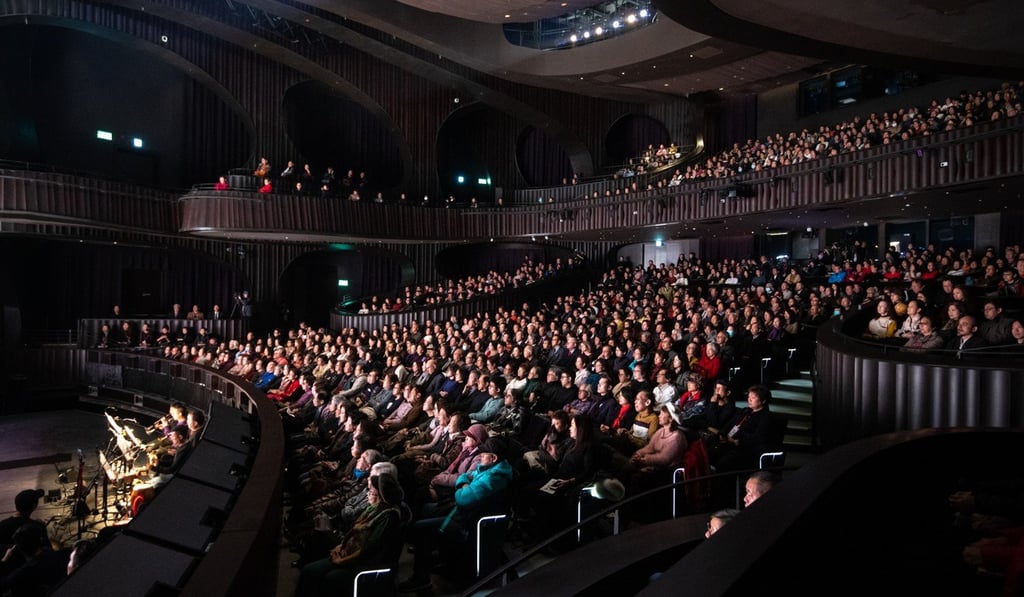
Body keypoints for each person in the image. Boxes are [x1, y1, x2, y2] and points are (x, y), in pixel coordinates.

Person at [399, 439, 513, 592]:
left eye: (484, 455)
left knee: (420, 528)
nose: (480, 457)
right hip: (465, 513)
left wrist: (463, 485)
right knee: (426, 508)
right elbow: (466, 476)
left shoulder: (494, 478)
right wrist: (465, 483)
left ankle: (421, 579)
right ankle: (441, 558)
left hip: (469, 524)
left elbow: (463, 498)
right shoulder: (487, 469)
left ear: (494, 458)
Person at [295, 473, 408, 597]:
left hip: (364, 561)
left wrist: (343, 553)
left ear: (381, 495)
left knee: (329, 578)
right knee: (309, 571)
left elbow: (370, 547)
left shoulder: (388, 516)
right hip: (350, 552)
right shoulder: (374, 509)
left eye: (371, 490)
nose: (368, 493)